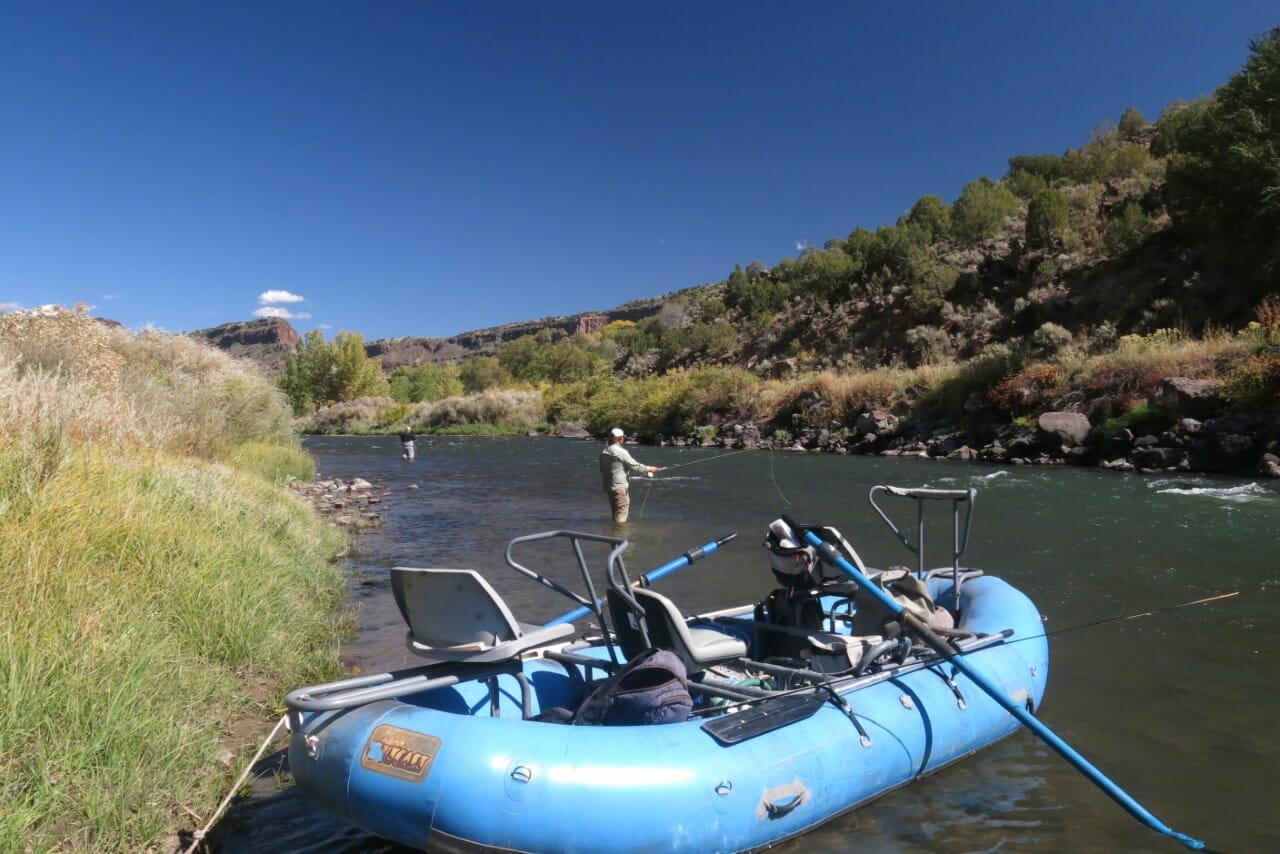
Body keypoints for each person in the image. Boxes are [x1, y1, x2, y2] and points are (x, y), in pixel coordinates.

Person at [599, 427, 661, 523]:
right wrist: (651, 469)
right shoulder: (621, 452)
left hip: (609, 486)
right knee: (622, 512)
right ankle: (620, 535)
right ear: (620, 438)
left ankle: (612, 534)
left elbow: (602, 470)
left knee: (615, 512)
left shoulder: (604, 451)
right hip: (619, 487)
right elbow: (635, 466)